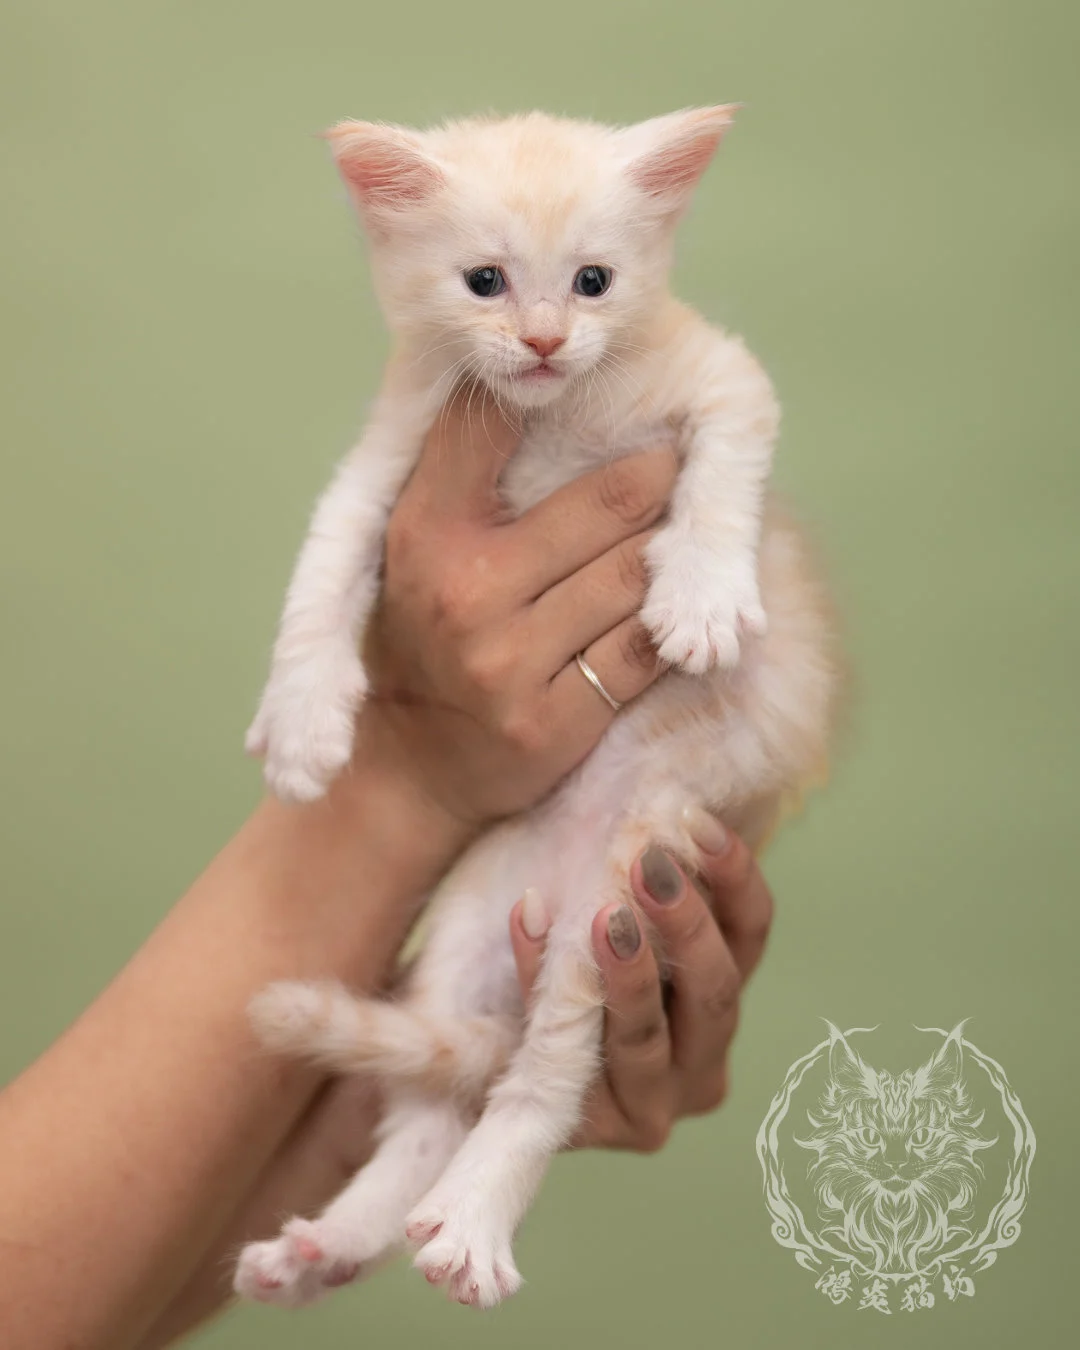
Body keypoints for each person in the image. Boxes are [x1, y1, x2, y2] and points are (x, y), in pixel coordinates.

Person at [0, 396, 774, 1350]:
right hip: (592, 782)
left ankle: (416, 1165)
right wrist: (396, 766)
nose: (539, 331)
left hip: (666, 754)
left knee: (544, 947)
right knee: (523, 951)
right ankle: (430, 1161)